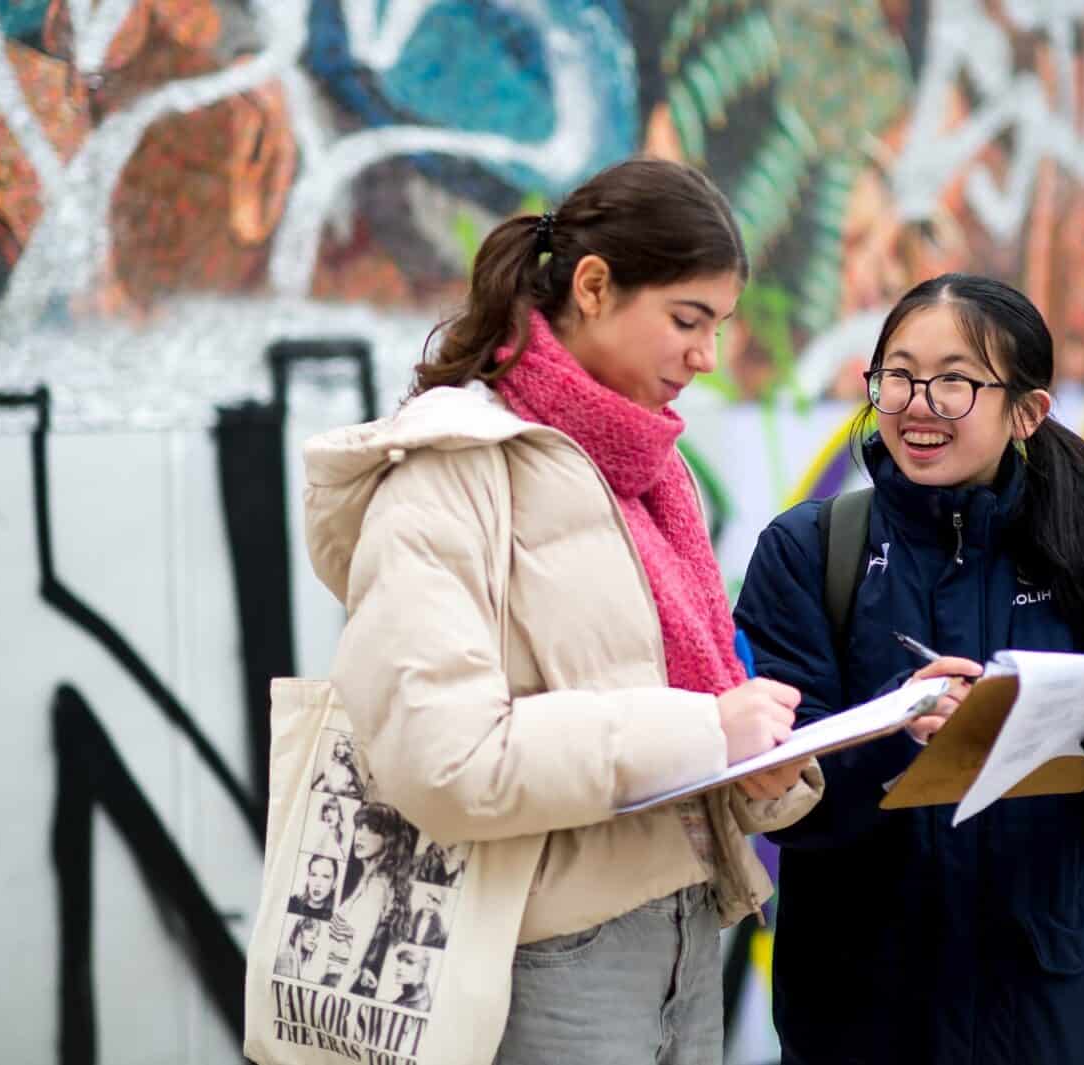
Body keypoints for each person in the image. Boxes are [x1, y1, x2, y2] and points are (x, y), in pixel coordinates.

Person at [302, 157, 824, 1064]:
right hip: (545, 963)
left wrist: (757, 768)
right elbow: (445, 759)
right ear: (592, 286)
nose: (707, 356)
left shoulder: (651, 473)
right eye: (687, 319)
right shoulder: (451, 473)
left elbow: (688, 700)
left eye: (719, 326)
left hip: (689, 938)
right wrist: (705, 732)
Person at [734, 274, 1084, 1065]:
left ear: (1026, 411)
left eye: (955, 381)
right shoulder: (809, 552)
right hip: (861, 1015)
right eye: (899, 375)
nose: (918, 405)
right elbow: (777, 800)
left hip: (1053, 1011)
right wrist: (894, 731)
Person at [328, 801, 417, 996]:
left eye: (371, 829)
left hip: (339, 986)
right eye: (359, 827)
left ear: (389, 839)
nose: (359, 835)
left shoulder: (376, 887)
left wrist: (336, 996)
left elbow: (354, 962)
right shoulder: (371, 880)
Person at [274, 916, 328, 983]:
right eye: (310, 930)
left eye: (317, 933)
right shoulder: (284, 958)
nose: (314, 936)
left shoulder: (307, 963)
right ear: (298, 933)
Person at [286, 854, 337, 922]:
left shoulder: (334, 919)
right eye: (313, 875)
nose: (317, 883)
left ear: (334, 883)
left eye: (325, 876)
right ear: (308, 877)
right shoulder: (290, 904)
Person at [312, 733, 363, 798]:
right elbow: (312, 786)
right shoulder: (328, 765)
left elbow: (361, 792)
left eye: (343, 744)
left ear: (348, 747)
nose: (339, 747)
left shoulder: (350, 768)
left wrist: (346, 795)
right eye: (337, 744)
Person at [386, 945, 435, 1012]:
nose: (399, 966)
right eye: (399, 961)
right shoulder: (408, 996)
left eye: (409, 962)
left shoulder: (418, 1005)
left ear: (423, 969)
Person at [307, 795, 349, 860]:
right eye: (326, 810)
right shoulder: (317, 834)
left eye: (333, 810)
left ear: (339, 815)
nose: (328, 813)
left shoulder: (343, 837)